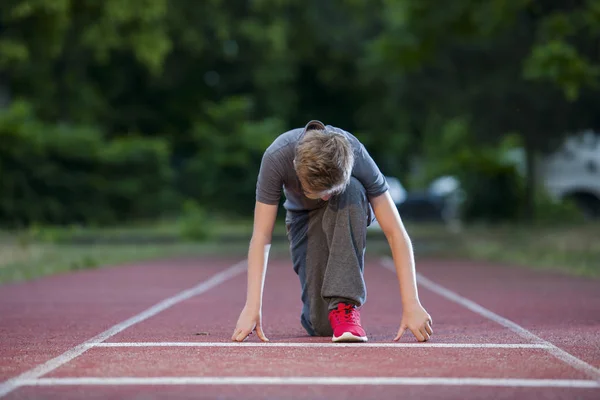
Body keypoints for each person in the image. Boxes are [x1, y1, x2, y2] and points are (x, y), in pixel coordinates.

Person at [231, 120, 433, 343]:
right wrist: (252, 307)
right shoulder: (277, 156)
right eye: (317, 192)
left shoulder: (356, 154)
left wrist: (412, 303)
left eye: (329, 191)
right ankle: (321, 312)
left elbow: (396, 231)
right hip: (303, 219)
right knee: (323, 326)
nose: (325, 197)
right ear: (296, 165)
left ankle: (345, 306)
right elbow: (261, 236)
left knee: (353, 189)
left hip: (347, 207)